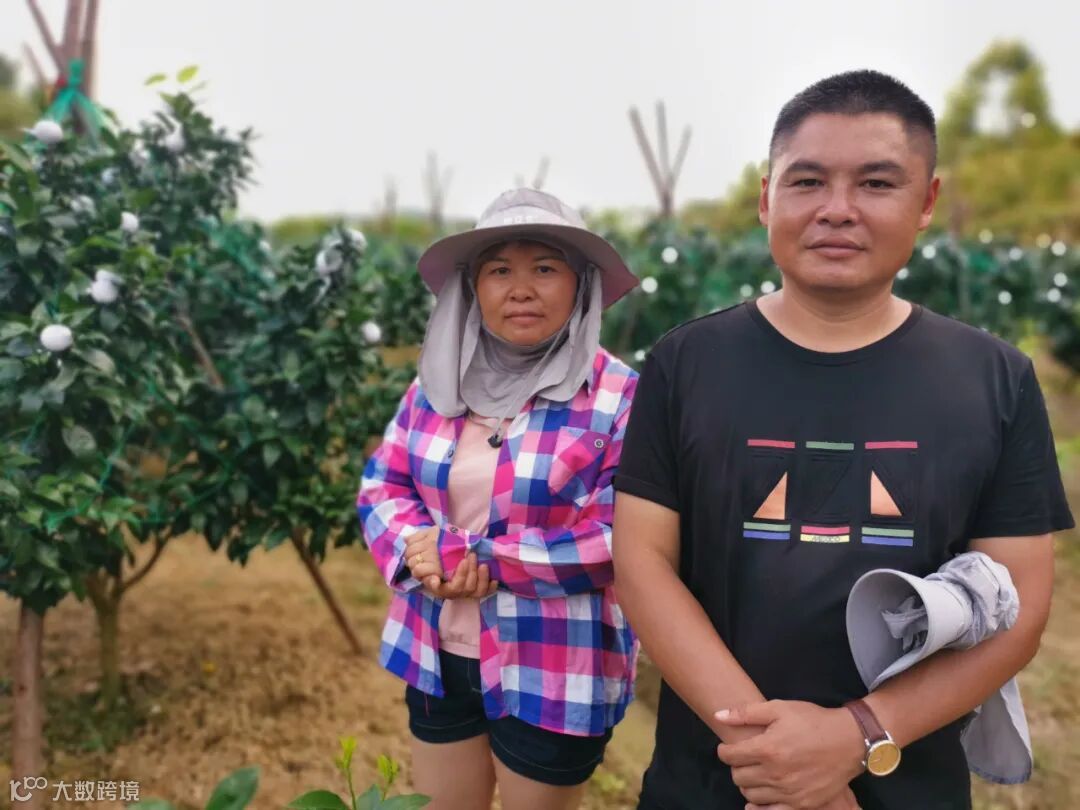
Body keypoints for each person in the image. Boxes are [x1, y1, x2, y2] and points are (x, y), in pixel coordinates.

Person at [611, 70, 1074, 810]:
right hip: (712, 780)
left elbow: (1017, 603)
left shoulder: (993, 378)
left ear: (927, 202)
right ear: (767, 197)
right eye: (807, 181)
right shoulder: (686, 363)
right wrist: (777, 759)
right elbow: (643, 564)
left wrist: (857, 734)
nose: (836, 209)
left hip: (903, 783)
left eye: (876, 183)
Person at [358, 188, 641, 810]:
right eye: (499, 271)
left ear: (582, 285)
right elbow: (384, 483)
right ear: (473, 288)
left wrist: (482, 558)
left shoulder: (621, 397)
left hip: (555, 664)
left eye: (545, 268)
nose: (521, 289)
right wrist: (417, 551)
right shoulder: (437, 387)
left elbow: (621, 535)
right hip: (435, 651)